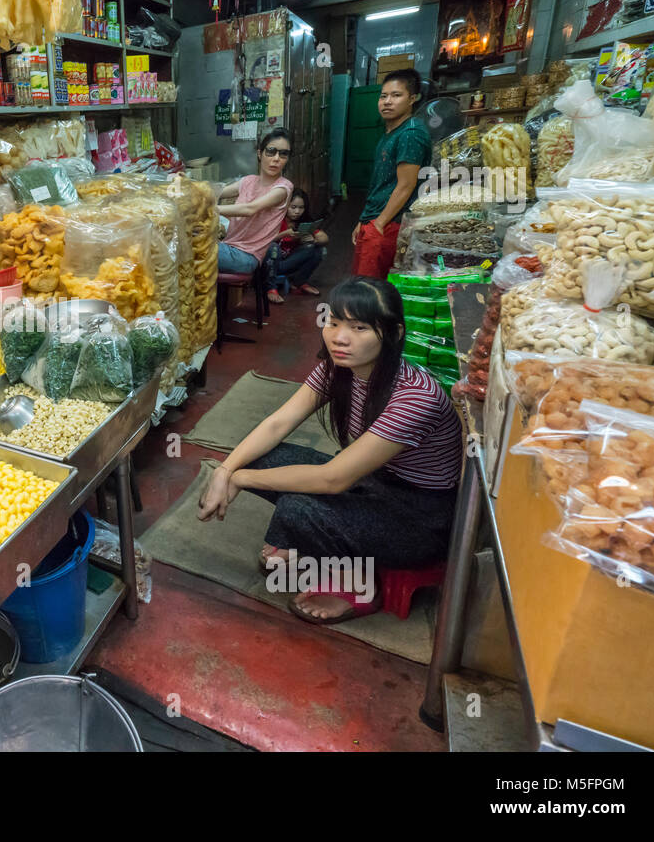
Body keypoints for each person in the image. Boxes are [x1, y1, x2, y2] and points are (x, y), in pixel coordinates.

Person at [196, 276, 462, 624]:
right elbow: (278, 423)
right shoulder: (338, 369)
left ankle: (362, 587)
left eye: (359, 327)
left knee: (296, 509)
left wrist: (240, 478)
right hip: (373, 482)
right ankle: (324, 547)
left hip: (418, 518)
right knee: (262, 454)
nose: (340, 337)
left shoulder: (415, 397)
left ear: (395, 334)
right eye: (334, 322)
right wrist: (225, 470)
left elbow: (333, 479)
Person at [352, 69, 431, 279]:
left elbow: (406, 185)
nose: (387, 101)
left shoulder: (410, 134)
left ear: (412, 99)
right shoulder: (392, 131)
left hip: (390, 223)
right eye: (383, 96)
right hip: (375, 220)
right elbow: (382, 182)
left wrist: (379, 223)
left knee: (370, 289)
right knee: (361, 285)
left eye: (396, 95)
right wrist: (364, 219)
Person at [216, 128, 294, 277]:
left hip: (246, 257)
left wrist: (210, 208)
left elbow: (250, 209)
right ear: (260, 153)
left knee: (187, 247)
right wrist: (188, 187)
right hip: (228, 248)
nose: (276, 158)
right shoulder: (248, 181)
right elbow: (218, 191)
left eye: (283, 154)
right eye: (271, 151)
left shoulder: (283, 188)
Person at [263, 188, 328, 304]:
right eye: (293, 207)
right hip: (270, 264)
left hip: (288, 263)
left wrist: (313, 240)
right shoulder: (276, 220)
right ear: (285, 205)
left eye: (301, 208)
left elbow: (324, 238)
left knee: (320, 250)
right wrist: (284, 234)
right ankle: (271, 288)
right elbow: (262, 241)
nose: (297, 211)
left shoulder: (303, 222)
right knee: (273, 247)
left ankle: (299, 282)